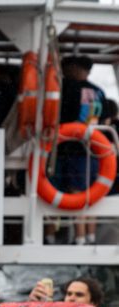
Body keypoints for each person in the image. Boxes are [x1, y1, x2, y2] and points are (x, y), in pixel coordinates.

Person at [47, 55, 109, 245]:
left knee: (73, 191)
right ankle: (89, 235)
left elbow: (58, 116)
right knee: (93, 191)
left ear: (75, 68)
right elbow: (105, 119)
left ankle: (78, 237)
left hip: (70, 149)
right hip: (95, 150)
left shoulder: (68, 88)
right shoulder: (99, 91)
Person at [29, 276, 103, 307]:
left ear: (93, 303)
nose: (71, 298)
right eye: (69, 294)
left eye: (79, 295)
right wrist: (32, 305)